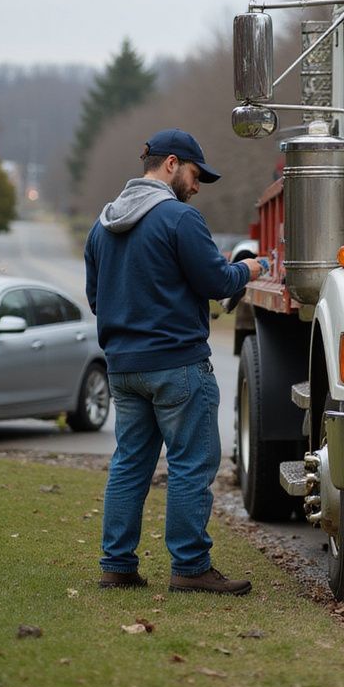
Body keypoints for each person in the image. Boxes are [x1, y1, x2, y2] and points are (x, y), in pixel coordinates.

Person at [85, 128, 265, 595]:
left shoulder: (101, 226)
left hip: (123, 367)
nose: (197, 184)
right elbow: (216, 281)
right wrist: (251, 268)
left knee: (129, 465)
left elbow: (95, 298)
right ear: (170, 164)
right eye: (194, 173)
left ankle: (117, 565)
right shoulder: (180, 219)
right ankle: (190, 568)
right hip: (178, 366)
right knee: (190, 465)